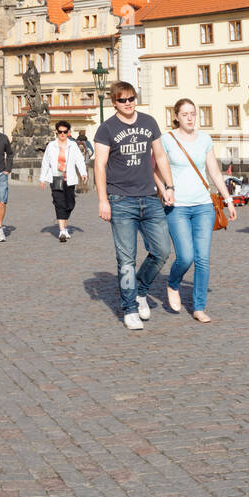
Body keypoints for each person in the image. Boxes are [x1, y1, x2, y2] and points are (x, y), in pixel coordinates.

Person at [93, 81, 174, 331]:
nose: (128, 104)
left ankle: (141, 290)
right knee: (126, 259)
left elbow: (159, 156)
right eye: (122, 100)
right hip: (120, 200)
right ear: (113, 103)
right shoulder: (106, 129)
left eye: (131, 99)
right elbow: (99, 165)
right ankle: (129, 308)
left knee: (162, 251)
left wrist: (168, 187)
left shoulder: (149, 122)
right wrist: (103, 200)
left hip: (150, 198)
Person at [160, 100, 236, 320]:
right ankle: (173, 283)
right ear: (176, 117)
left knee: (202, 258)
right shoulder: (167, 139)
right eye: (185, 114)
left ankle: (199, 307)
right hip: (178, 206)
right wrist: (164, 190)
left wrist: (228, 199)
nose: (190, 118)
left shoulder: (204, 139)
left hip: (203, 205)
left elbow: (214, 170)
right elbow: (156, 169)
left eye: (193, 114)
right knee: (185, 257)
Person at [39, 120, 87, 240]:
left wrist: (83, 173)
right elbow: (45, 162)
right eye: (60, 132)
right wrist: (42, 178)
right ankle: (62, 231)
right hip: (55, 178)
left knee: (70, 204)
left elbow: (79, 160)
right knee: (59, 203)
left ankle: (64, 226)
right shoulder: (51, 146)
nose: (62, 134)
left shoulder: (73, 145)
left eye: (64, 132)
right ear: (56, 132)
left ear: (68, 132)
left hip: (69, 178)